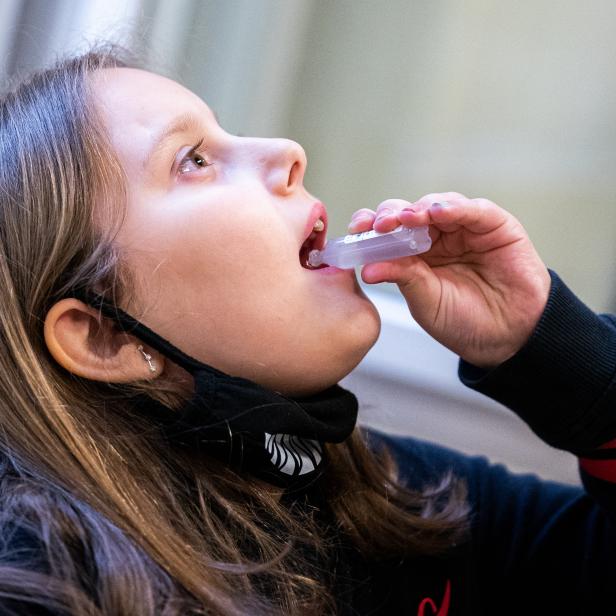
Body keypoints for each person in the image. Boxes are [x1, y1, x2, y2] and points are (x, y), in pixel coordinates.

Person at [0, 44, 614, 616]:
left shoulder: (382, 490)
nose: (288, 148)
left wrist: (560, 352)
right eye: (193, 161)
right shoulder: (50, 584)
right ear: (103, 337)